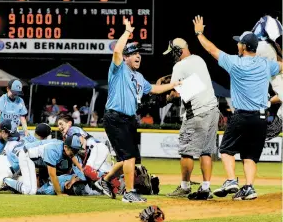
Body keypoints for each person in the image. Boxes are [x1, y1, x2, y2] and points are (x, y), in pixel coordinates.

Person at [192, 15, 282, 200]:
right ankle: (248, 187)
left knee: (226, 150)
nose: (237, 45)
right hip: (261, 118)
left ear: (243, 47)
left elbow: (212, 49)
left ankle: (232, 180)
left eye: (239, 43)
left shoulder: (235, 62)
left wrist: (199, 33)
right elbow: (281, 66)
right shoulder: (266, 65)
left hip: (242, 116)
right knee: (250, 156)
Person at [95, 18, 181, 203]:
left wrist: (174, 84)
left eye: (139, 54)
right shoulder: (118, 70)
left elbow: (155, 89)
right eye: (133, 53)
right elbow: (117, 50)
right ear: (125, 57)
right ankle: (129, 193)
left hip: (128, 119)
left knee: (129, 157)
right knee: (129, 157)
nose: (138, 56)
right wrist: (127, 31)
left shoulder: (139, 76)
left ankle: (105, 181)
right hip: (115, 117)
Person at [162, 37, 220, 200]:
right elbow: (194, 83)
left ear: (178, 51)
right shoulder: (199, 59)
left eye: (173, 52)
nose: (172, 56)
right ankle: (206, 187)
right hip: (212, 109)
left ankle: (185, 187)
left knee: (186, 151)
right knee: (206, 151)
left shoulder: (179, 66)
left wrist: (166, 98)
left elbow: (176, 92)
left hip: (197, 113)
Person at [3, 135, 82, 196]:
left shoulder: (64, 146)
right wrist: (59, 193)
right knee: (28, 190)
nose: (75, 153)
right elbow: (52, 174)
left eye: (76, 150)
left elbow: (72, 156)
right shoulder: (53, 150)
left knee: (32, 191)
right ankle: (5, 181)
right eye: (74, 150)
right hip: (26, 155)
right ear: (65, 147)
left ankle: (11, 182)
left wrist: (81, 168)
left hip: (32, 158)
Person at [57, 114, 113, 182]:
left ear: (69, 123)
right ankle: (118, 184)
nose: (59, 127)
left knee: (88, 171)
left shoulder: (71, 129)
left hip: (95, 148)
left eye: (61, 124)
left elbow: (81, 138)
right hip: (97, 149)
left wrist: (83, 147)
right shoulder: (68, 135)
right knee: (107, 174)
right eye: (58, 125)